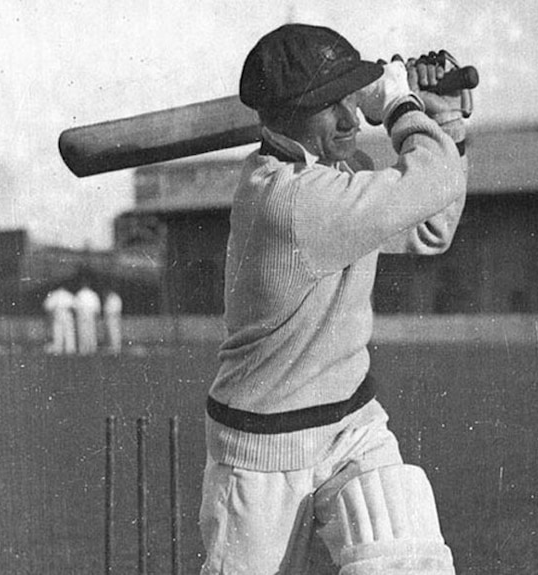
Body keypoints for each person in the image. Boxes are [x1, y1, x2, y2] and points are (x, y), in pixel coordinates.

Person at [199, 23, 472, 575]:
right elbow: (432, 181)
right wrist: (399, 105)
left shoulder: (340, 176)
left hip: (351, 424)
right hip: (263, 450)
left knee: (411, 565)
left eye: (354, 98)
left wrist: (441, 118)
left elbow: (430, 227)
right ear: (290, 114)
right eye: (333, 107)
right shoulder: (290, 202)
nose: (352, 119)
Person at [43, 286, 76, 355]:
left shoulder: (54, 295)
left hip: (58, 314)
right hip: (67, 314)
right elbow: (75, 305)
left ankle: (58, 349)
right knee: (68, 332)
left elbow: (47, 306)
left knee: (58, 332)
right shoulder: (68, 295)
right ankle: (70, 349)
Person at [74, 283, 101, 355]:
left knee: (82, 331)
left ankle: (83, 349)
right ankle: (92, 348)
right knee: (91, 331)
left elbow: (75, 305)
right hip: (91, 314)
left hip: (82, 314)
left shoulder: (79, 294)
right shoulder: (93, 294)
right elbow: (97, 306)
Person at [103, 290, 123, 354]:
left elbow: (117, 308)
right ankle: (111, 347)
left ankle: (116, 348)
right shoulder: (109, 298)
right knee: (109, 333)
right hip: (109, 317)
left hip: (114, 317)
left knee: (114, 333)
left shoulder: (115, 298)